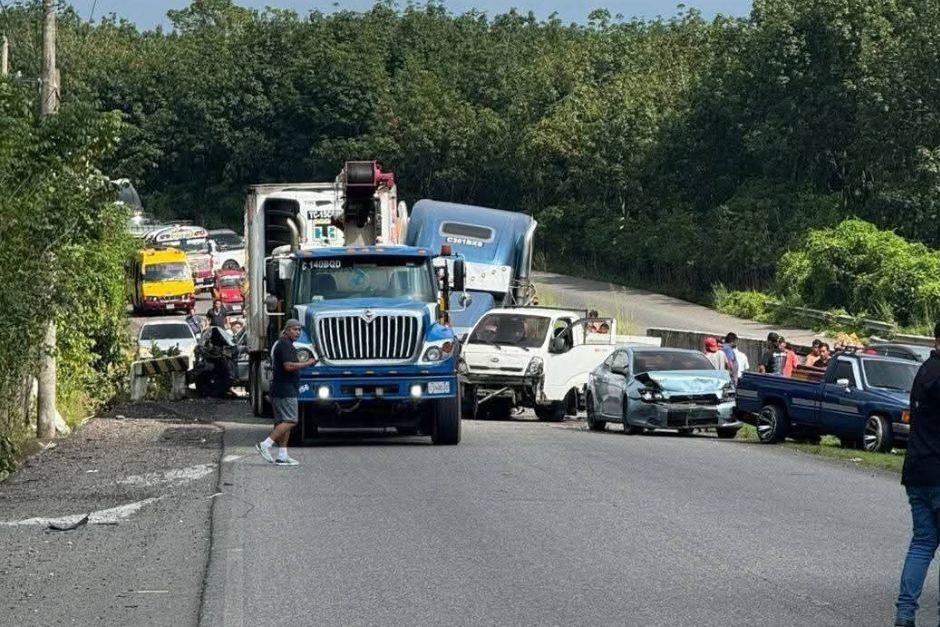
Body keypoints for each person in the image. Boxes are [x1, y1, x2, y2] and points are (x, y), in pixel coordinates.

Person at [895, 322, 940, 626]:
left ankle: (905, 614)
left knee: (922, 543)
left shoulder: (924, 370)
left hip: (917, 470)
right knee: (923, 542)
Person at [256, 319, 317, 467]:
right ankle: (265, 445)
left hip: (279, 388)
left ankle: (283, 455)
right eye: (295, 329)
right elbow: (288, 366)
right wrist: (307, 363)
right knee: (291, 420)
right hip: (285, 389)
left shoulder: (282, 343)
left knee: (282, 422)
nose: (298, 332)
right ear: (287, 330)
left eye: (299, 330)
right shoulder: (285, 345)